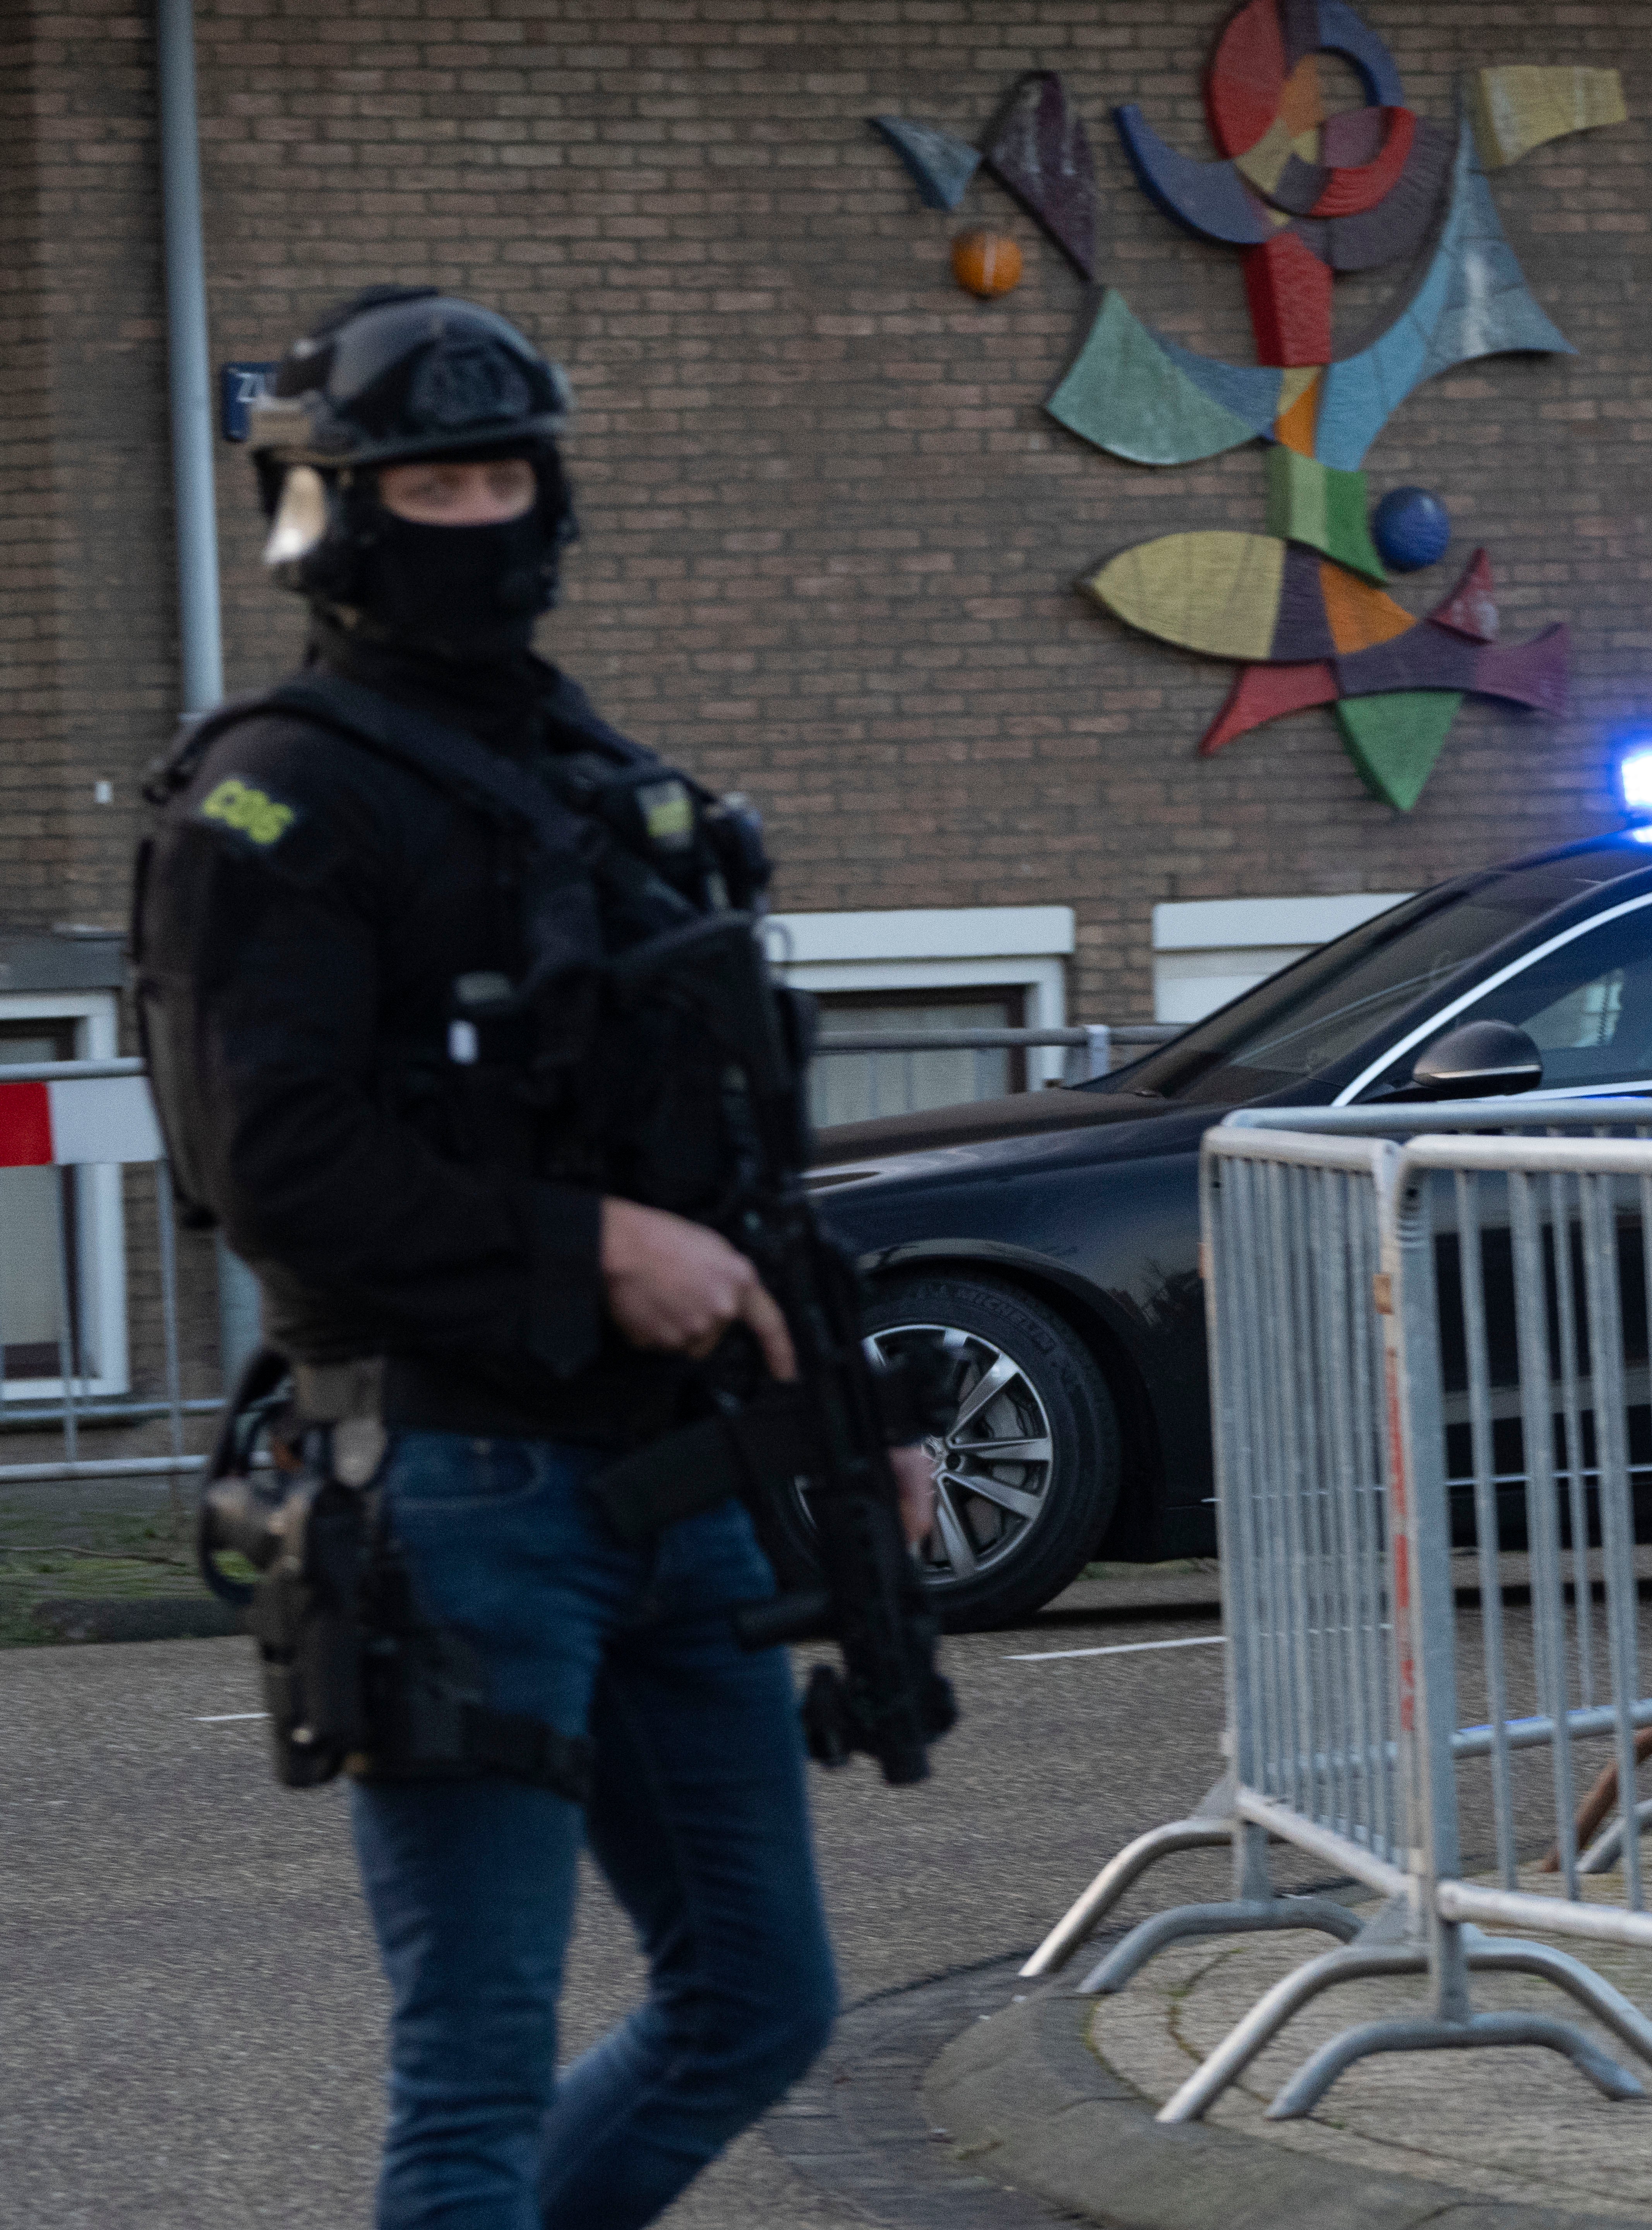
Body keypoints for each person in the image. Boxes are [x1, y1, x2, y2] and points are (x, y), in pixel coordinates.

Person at [127, 288, 937, 2229]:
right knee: (472, 2093)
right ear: (329, 509)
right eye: (426, 480)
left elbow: (727, 1157)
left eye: (499, 474)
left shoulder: (606, 780)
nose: (472, 515)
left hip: (685, 1488)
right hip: (458, 1500)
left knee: (757, 2005)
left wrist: (849, 1408)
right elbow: (277, 1166)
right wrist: (582, 1249)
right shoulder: (270, 799)